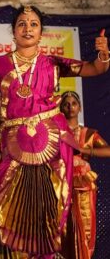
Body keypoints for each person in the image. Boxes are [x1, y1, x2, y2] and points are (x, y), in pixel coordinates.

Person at [0, 6, 109, 256]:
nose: (27, 28)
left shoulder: (54, 63)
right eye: (22, 24)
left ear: (41, 33)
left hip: (53, 145)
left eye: (33, 24)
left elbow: (95, 69)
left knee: (50, 207)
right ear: (13, 32)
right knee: (16, 208)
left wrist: (104, 55)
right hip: (15, 145)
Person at [59, 91, 107, 258]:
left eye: (74, 103)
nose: (70, 107)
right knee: (63, 230)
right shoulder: (57, 133)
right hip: (62, 183)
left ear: (79, 107)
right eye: (66, 104)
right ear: (61, 109)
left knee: (85, 228)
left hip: (84, 185)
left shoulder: (89, 134)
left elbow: (108, 150)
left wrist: (85, 150)